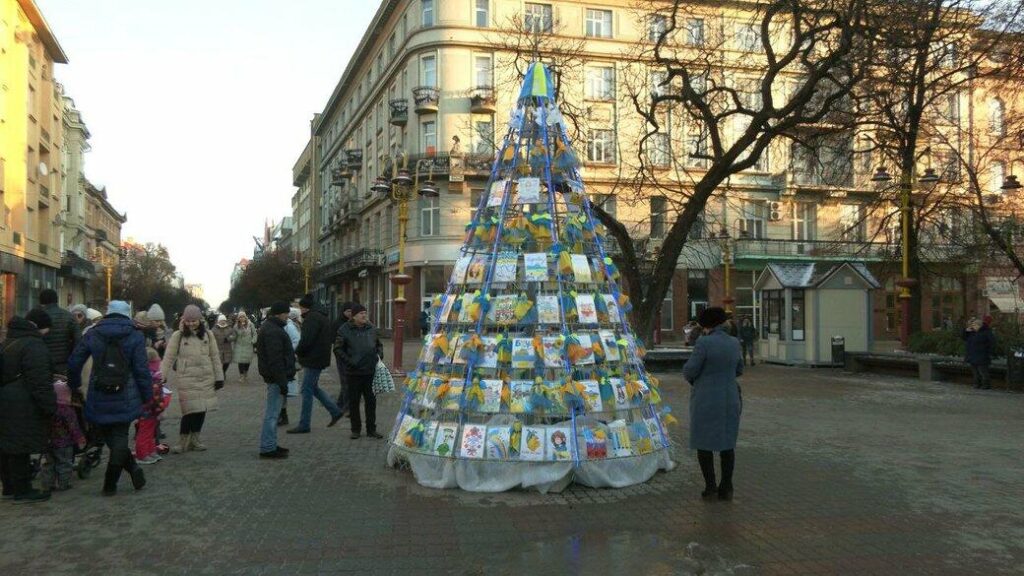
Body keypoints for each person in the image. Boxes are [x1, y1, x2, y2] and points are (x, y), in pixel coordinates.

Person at [67, 300, 152, 496]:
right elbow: (141, 370)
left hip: (99, 392)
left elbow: (74, 362)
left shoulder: (93, 333)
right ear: (127, 314)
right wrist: (147, 396)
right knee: (120, 435)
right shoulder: (136, 336)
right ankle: (112, 482)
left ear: (108, 313)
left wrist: (74, 386)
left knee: (107, 433)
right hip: (126, 393)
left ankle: (129, 472)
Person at [683, 306, 743, 502]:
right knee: (727, 445)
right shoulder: (734, 342)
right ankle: (727, 486)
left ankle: (710, 487)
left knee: (704, 444)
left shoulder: (704, 343)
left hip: (706, 399)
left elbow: (690, 370)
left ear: (705, 324)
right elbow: (739, 369)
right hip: (730, 397)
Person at [0, 312, 57, 503]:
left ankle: (9, 486)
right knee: (19, 447)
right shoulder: (34, 346)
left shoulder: (9, 341)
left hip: (7, 399)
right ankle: (22, 490)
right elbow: (40, 381)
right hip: (23, 403)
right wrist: (50, 406)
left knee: (8, 446)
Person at [161, 304, 223, 453]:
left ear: (200, 320)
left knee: (202, 410)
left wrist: (219, 377)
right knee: (189, 411)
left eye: (194, 320)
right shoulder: (178, 335)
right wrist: (161, 376)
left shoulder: (208, 334)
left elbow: (215, 356)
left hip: (206, 377)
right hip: (186, 377)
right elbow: (169, 357)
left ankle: (195, 440)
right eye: (188, 320)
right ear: (184, 320)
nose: (191, 323)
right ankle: (182, 442)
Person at [288, 294, 343, 434]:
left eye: (300, 308)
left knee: (306, 390)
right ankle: (335, 411)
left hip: (313, 359)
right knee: (312, 388)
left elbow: (306, 340)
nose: (299, 311)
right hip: (319, 357)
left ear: (305, 308)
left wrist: (297, 352)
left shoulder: (312, 319)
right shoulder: (322, 317)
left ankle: (304, 424)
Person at [335, 304, 384, 440]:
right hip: (353, 373)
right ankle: (355, 429)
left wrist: (379, 355)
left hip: (370, 371)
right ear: (354, 316)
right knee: (354, 402)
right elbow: (338, 349)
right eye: (361, 313)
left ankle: (371, 429)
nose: (364, 315)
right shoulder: (344, 329)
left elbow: (379, 344)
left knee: (371, 402)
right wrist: (350, 361)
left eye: (365, 313)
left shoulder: (372, 328)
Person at [256, 302, 294, 459]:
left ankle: (270, 443)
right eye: (286, 313)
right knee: (272, 414)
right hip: (276, 379)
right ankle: (267, 447)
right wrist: (282, 382)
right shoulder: (273, 331)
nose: (288, 316)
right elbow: (275, 359)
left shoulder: (271, 328)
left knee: (273, 413)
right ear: (279, 314)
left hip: (275, 377)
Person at [40, 377, 85, 491]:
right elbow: (73, 426)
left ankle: (47, 484)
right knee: (64, 463)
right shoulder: (67, 410)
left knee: (49, 464)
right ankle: (64, 484)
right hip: (64, 443)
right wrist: (80, 438)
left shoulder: (47, 409)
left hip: (48, 442)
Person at [135, 348, 169, 465]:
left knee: (150, 432)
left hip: (152, 409)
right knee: (145, 433)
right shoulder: (151, 378)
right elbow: (154, 396)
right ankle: (142, 454)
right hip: (148, 409)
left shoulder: (153, 376)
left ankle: (150, 451)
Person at [37, 288, 79, 376]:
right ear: (57, 300)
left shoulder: (37, 316)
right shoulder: (69, 316)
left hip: (42, 364)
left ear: (41, 301)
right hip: (64, 365)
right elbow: (78, 341)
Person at [278, 308, 302, 427]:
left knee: (281, 389)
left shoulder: (289, 326)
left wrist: (285, 350)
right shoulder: (282, 325)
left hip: (285, 362)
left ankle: (282, 415)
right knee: (281, 390)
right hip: (281, 362)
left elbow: (297, 340)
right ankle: (282, 414)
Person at [332, 302, 355, 413]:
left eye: (352, 311)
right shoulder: (338, 324)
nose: (350, 313)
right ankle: (347, 406)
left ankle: (340, 404)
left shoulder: (353, 323)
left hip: (352, 355)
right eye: (348, 311)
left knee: (348, 380)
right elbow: (334, 340)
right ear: (343, 312)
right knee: (346, 381)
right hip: (342, 356)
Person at [964, 315, 996, 390]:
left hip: (982, 355)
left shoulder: (986, 332)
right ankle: (976, 384)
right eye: (972, 325)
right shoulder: (972, 333)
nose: (973, 326)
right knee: (975, 372)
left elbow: (992, 342)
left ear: (979, 325)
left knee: (983, 371)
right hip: (972, 355)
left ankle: (986, 385)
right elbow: (964, 338)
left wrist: (988, 351)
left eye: (974, 325)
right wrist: (966, 331)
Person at [232, 311, 257, 385]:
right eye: (240, 317)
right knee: (241, 361)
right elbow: (235, 336)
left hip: (248, 345)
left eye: (243, 316)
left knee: (247, 361)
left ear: (245, 317)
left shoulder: (250, 324)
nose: (242, 318)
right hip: (239, 345)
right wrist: (231, 338)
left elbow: (254, 334)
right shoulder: (236, 326)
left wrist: (253, 341)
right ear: (238, 318)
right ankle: (241, 375)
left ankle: (246, 372)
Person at [212, 315, 237, 379]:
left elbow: (234, 336)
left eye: (223, 320)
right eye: (221, 321)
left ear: (225, 321)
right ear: (218, 321)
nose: (222, 322)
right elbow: (211, 337)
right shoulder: (214, 329)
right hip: (218, 348)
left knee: (227, 362)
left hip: (227, 349)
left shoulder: (229, 328)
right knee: (219, 363)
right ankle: (220, 373)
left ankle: (223, 372)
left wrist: (229, 338)